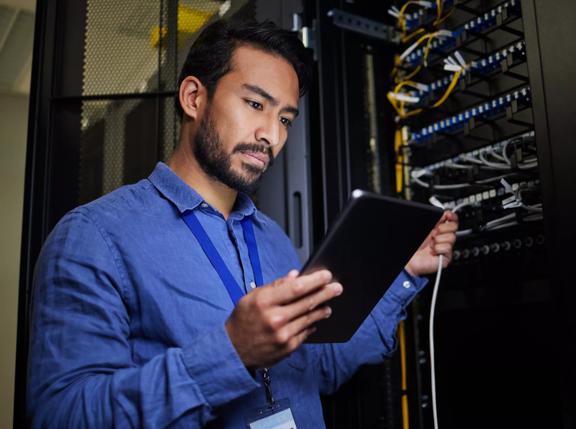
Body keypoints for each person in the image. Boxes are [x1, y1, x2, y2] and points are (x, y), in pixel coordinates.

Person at [27, 19, 458, 428]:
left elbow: (318, 370)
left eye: (285, 118)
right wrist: (231, 352)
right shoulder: (95, 236)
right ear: (194, 97)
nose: (271, 134)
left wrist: (405, 272)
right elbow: (61, 416)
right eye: (255, 104)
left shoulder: (272, 238)